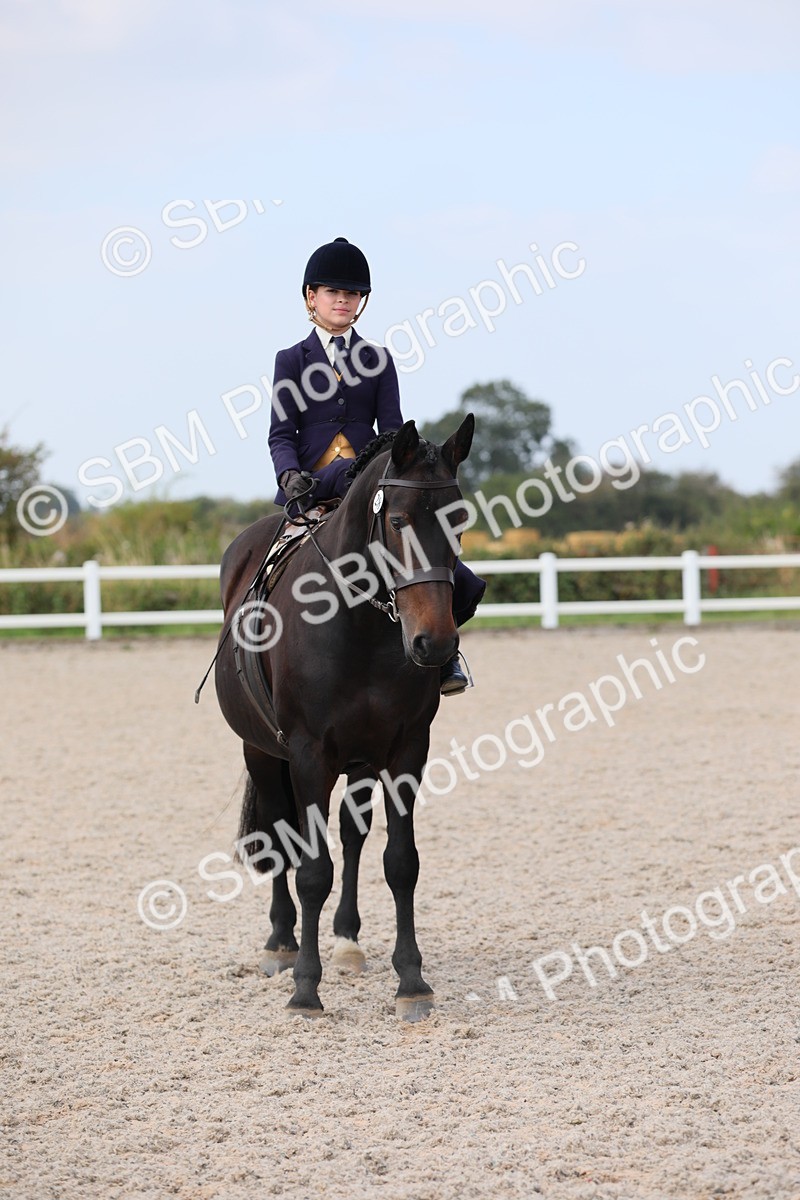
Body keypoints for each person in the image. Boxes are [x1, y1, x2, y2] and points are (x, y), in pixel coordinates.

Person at [268, 236, 485, 695]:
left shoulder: (379, 360)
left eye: (352, 294)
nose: (343, 300)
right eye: (333, 292)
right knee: (263, 573)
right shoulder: (290, 361)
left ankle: (446, 657)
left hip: (366, 491)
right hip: (307, 491)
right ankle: (251, 653)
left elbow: (391, 434)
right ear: (312, 297)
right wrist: (289, 477)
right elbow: (281, 434)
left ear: (361, 302)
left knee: (452, 576)